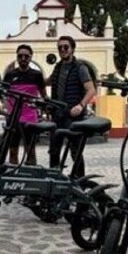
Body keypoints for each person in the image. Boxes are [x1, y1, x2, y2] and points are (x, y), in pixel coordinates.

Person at [48, 35, 96, 179]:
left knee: (75, 151)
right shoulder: (58, 67)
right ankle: (54, 180)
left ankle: (80, 181)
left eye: (66, 47)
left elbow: (91, 89)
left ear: (72, 49)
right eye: (60, 47)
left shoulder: (80, 68)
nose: (62, 50)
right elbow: (48, 81)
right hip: (58, 115)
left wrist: (81, 106)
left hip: (74, 116)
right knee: (54, 150)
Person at [3, 44, 46, 165]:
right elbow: (5, 94)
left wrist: (47, 108)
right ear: (17, 57)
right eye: (20, 56)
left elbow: (43, 95)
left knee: (31, 151)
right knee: (12, 151)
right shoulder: (10, 75)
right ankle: (14, 178)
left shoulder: (37, 75)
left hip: (30, 119)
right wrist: (6, 110)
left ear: (30, 57)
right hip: (13, 118)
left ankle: (31, 177)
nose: (23, 58)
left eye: (26, 56)